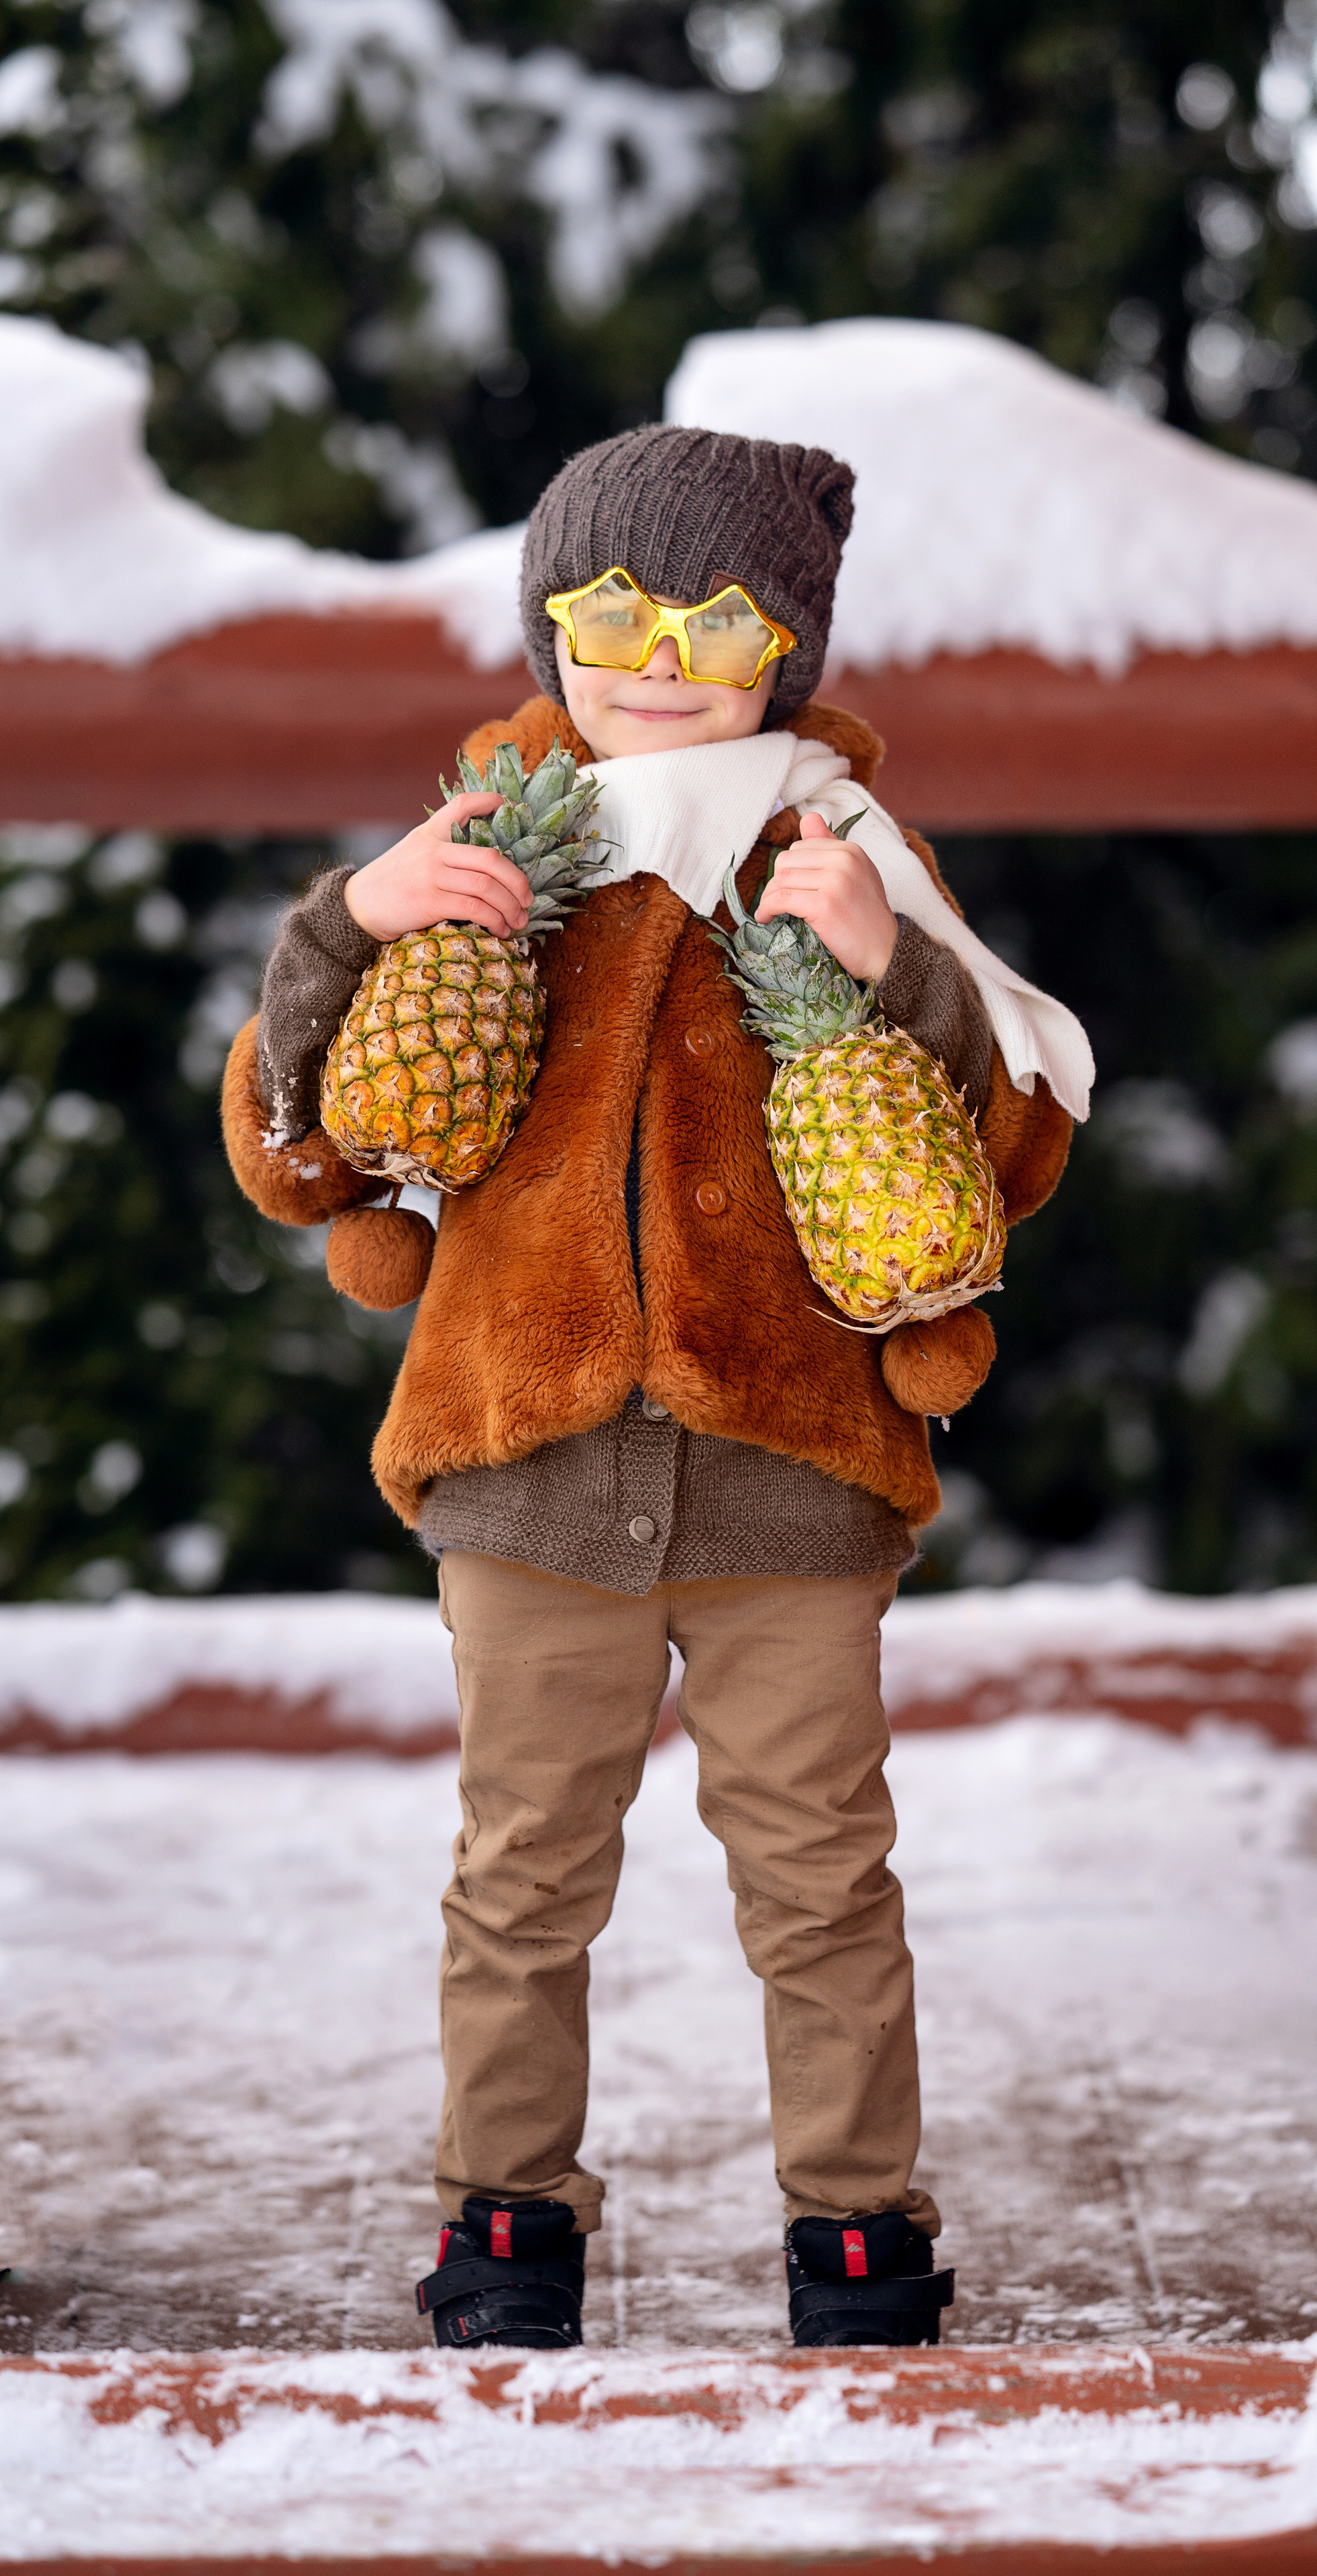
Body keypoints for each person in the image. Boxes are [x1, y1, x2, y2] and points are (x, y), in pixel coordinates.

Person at [221, 425, 1090, 2349]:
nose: (654, 652)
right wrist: (344, 932)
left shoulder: (843, 854)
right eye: (605, 608)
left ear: (788, 641)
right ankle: (507, 2223)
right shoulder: (482, 847)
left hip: (792, 1470)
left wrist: (894, 981)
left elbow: (997, 1161)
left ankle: (858, 2227)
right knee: (521, 1878)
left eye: (717, 614)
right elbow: (303, 1152)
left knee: (821, 1875)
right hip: (524, 1462)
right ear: (547, 622)